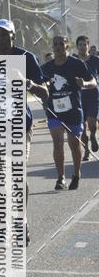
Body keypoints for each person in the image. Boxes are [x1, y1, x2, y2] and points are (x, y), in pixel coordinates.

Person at [0, 19, 48, 245]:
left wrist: (29, 85)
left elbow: (44, 92)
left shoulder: (26, 58)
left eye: (4, 34)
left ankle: (21, 220)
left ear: (12, 36)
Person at [42, 34, 96, 190]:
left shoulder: (77, 64)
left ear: (67, 46)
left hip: (73, 111)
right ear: (52, 47)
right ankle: (61, 178)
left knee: (74, 143)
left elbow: (93, 82)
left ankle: (77, 174)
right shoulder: (47, 67)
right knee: (57, 142)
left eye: (61, 43)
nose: (58, 46)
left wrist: (84, 83)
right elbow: (37, 82)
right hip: (55, 112)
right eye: (55, 44)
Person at [73, 35, 99, 160]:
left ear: (88, 46)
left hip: (93, 94)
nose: (82, 47)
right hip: (78, 96)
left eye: (85, 44)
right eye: (80, 45)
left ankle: (93, 135)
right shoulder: (73, 61)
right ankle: (87, 150)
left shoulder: (95, 60)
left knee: (92, 123)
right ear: (77, 47)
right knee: (82, 127)